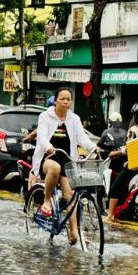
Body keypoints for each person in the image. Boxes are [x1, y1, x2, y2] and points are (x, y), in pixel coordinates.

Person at [32, 87, 98, 244]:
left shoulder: (74, 119)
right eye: (62, 98)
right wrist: (48, 146)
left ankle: (75, 232)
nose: (66, 102)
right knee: (55, 168)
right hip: (49, 157)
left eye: (69, 99)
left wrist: (93, 147)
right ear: (55, 101)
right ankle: (47, 200)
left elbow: (82, 138)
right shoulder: (45, 116)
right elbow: (41, 137)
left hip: (67, 159)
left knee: (71, 194)